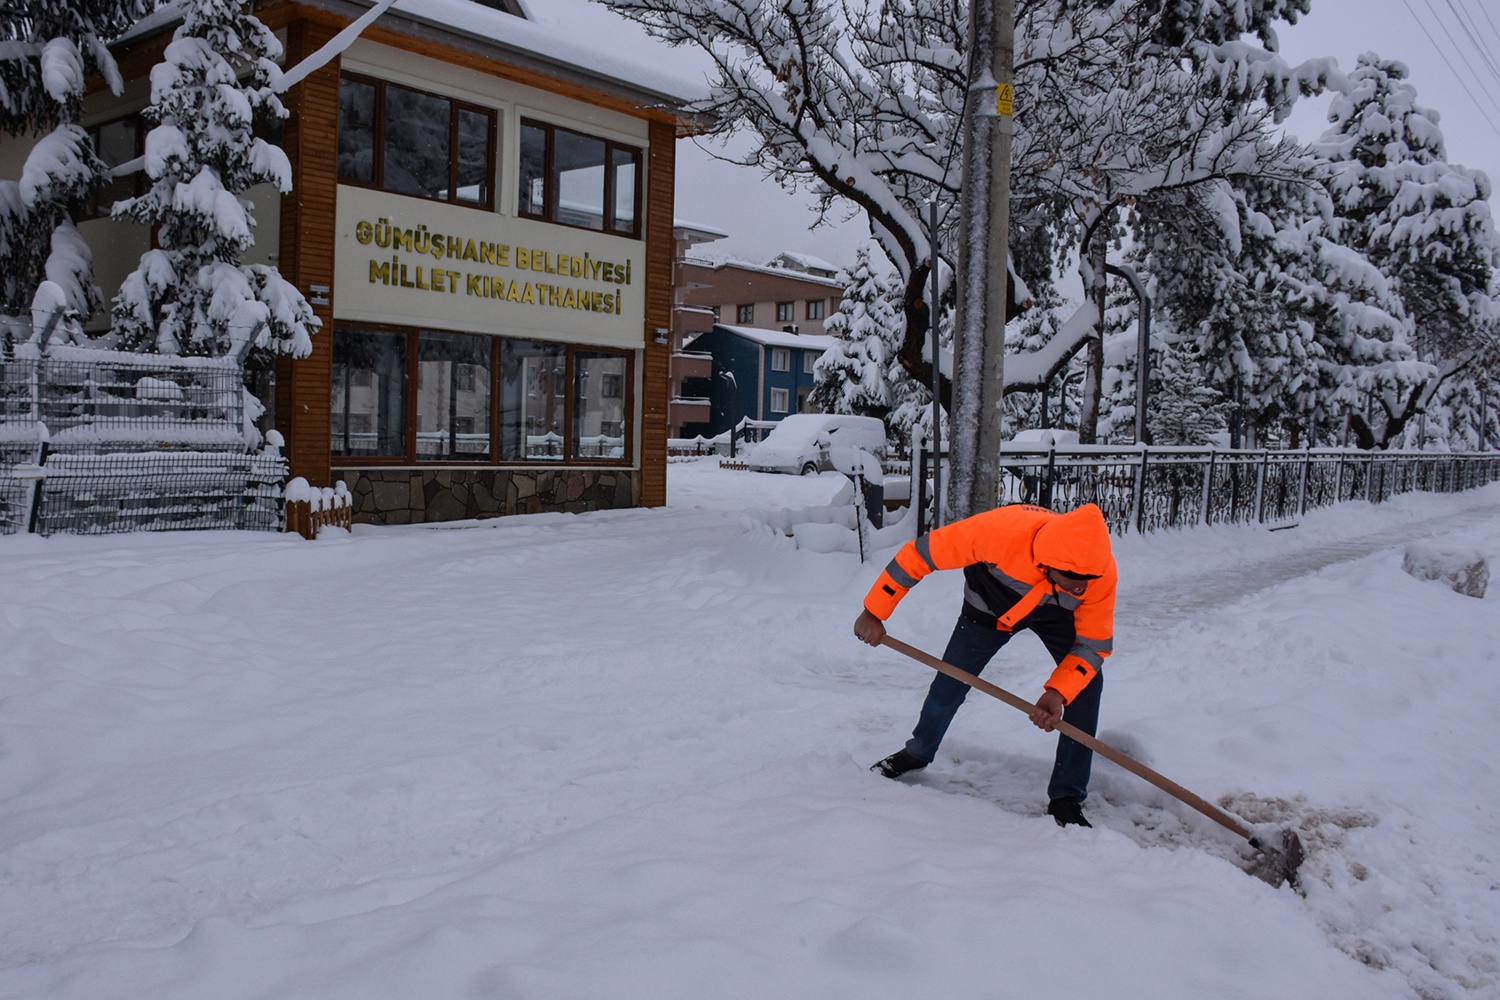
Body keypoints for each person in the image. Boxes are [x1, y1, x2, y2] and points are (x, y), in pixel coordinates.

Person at [854, 502, 1117, 828]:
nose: (1081, 586)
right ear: (1047, 562)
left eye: (1087, 579)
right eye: (1073, 577)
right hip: (990, 603)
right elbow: (918, 555)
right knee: (951, 678)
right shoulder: (1000, 531)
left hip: (1058, 615)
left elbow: (1092, 645)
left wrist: (1059, 693)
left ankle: (1066, 795)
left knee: (1087, 686)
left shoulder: (1099, 571)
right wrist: (874, 611)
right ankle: (918, 751)